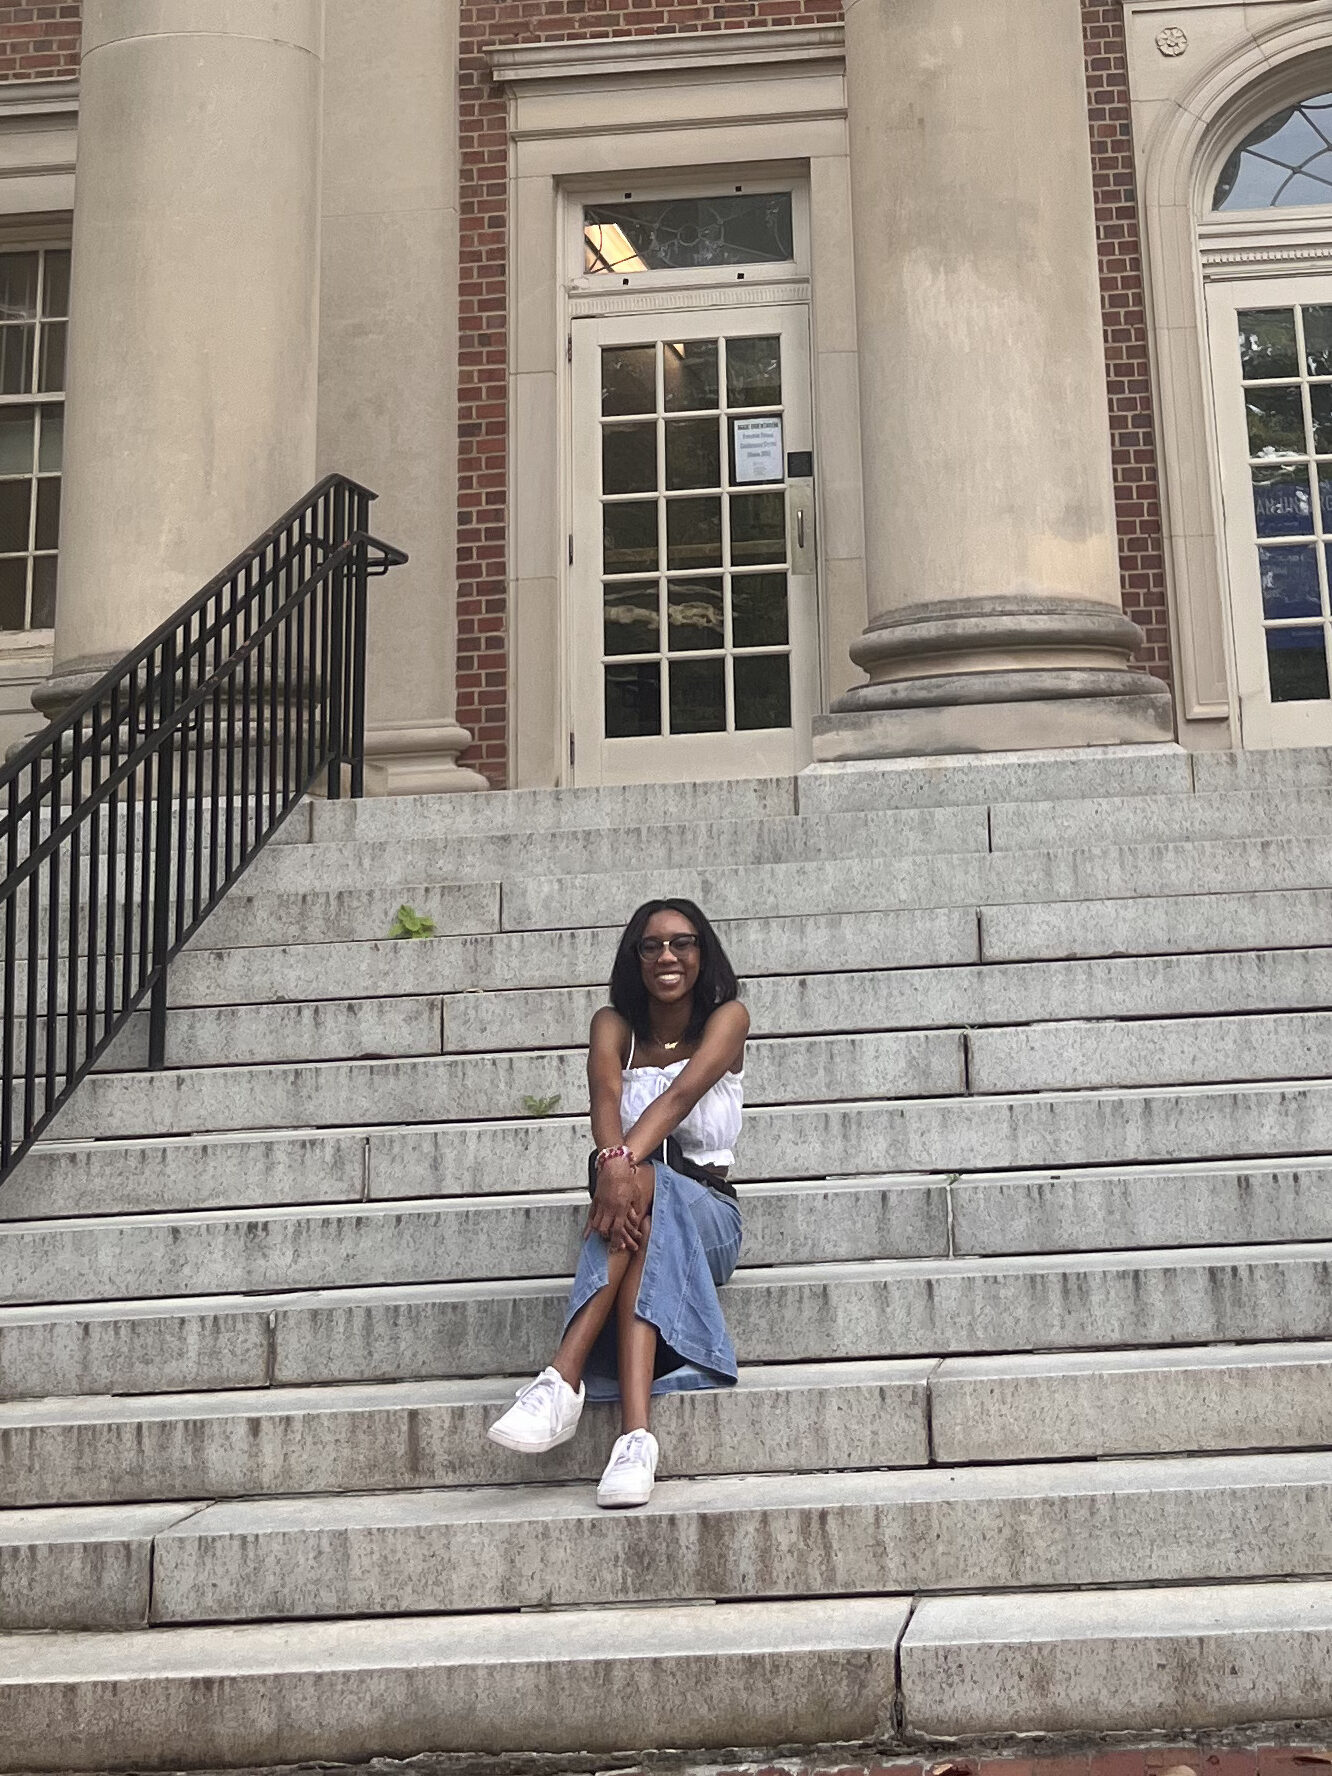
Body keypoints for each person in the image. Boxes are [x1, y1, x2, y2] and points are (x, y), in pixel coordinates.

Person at [487, 897, 747, 1509]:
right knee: (642, 1215)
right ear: (634, 958)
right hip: (635, 1205)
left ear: (702, 953)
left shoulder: (727, 1018)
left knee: (643, 1188)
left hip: (710, 1215)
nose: (666, 956)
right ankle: (635, 1438)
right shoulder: (613, 1025)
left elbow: (680, 1098)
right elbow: (604, 1099)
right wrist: (618, 1165)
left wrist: (619, 1167)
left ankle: (562, 1378)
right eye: (651, 945)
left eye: (681, 943)